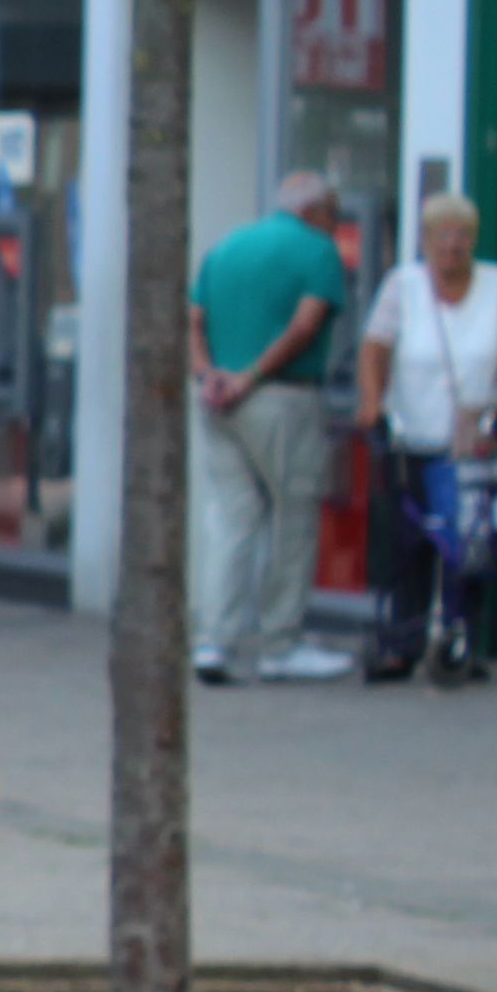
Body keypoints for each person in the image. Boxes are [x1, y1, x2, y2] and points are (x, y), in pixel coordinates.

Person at [355, 189, 497, 685]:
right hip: (414, 433)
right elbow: (374, 347)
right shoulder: (403, 285)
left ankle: (462, 641)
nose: (452, 245)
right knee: (409, 543)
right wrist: (373, 402)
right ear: (425, 240)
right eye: (442, 235)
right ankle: (401, 644)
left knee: (468, 546)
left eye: (461, 235)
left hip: (474, 439)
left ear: (473, 240)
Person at [187, 174, 354, 684]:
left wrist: (209, 374)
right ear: (318, 209)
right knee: (294, 514)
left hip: (217, 399)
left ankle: (214, 641)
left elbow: (193, 317)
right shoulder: (319, 250)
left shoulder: (229, 245)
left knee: (231, 518)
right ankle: (281, 641)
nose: (337, 219)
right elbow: (306, 325)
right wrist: (252, 377)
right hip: (281, 396)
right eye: (334, 210)